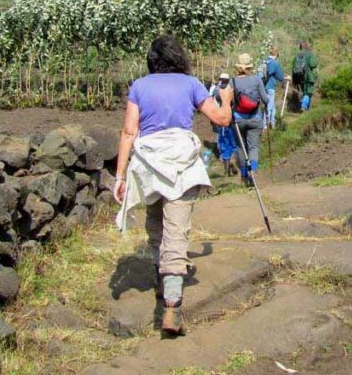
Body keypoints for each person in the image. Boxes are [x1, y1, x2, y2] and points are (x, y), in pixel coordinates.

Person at [113, 35, 232, 336]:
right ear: (179, 57)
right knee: (177, 233)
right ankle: (172, 306)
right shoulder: (190, 84)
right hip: (181, 164)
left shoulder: (139, 86)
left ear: (152, 61)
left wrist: (120, 176)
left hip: (149, 166)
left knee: (155, 224)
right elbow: (221, 119)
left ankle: (159, 279)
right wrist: (227, 99)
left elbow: (129, 132)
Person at [230, 53, 268, 184]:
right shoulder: (257, 79)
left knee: (241, 147)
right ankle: (253, 172)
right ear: (250, 66)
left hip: (238, 120)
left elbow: (226, 100)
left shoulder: (233, 81)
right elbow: (266, 99)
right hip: (255, 118)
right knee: (253, 148)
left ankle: (244, 176)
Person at [212, 72, 238, 175]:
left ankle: (226, 169)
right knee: (233, 142)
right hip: (231, 119)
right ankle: (233, 160)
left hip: (220, 120)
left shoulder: (216, 91)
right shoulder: (231, 90)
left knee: (224, 144)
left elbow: (213, 105)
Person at [260, 47, 285, 128]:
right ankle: (264, 126)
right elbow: (280, 77)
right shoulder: (274, 63)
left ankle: (272, 122)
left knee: (271, 105)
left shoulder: (264, 62)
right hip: (270, 88)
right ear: (276, 54)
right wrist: (286, 78)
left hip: (263, 87)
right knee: (269, 106)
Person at [291, 40, 319, 112]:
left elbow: (293, 68)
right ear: (306, 46)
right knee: (308, 93)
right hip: (308, 76)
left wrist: (294, 81)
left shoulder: (296, 56)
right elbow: (313, 64)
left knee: (304, 92)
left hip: (299, 77)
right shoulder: (310, 54)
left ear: (300, 47)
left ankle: (304, 107)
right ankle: (303, 106)